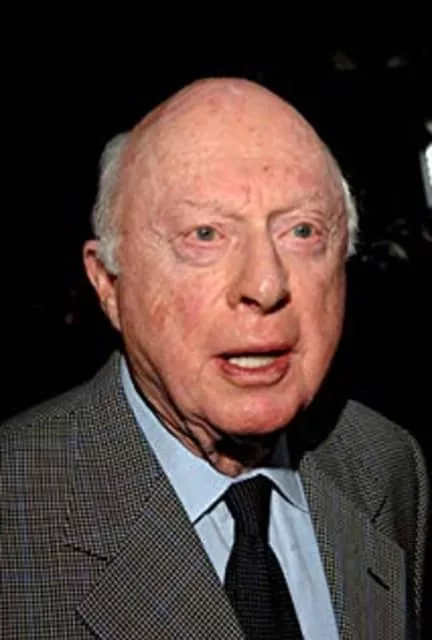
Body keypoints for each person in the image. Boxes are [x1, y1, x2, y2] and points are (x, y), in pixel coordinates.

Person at [2, 78, 428, 639]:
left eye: (302, 231)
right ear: (108, 283)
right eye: (205, 234)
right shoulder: (16, 513)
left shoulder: (387, 464)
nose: (265, 284)